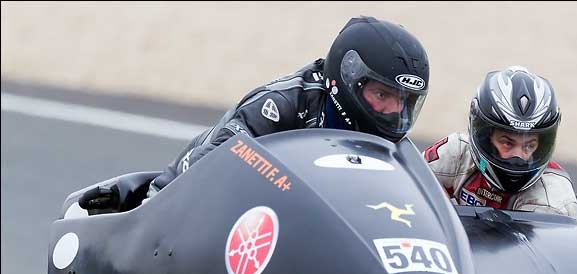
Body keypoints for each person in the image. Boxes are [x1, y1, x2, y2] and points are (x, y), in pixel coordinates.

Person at [147, 16, 429, 197]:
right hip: (179, 211)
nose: (394, 110)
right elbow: (203, 170)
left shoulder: (398, 147)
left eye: (404, 100)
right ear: (347, 78)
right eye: (382, 95)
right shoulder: (281, 105)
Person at [423, 66, 577, 226]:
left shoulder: (553, 200)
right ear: (486, 137)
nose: (519, 156)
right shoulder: (456, 153)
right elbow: (406, 187)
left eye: (529, 145)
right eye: (507, 142)